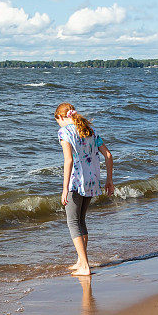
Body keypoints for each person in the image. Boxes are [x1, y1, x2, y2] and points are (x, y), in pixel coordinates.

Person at [54, 103, 114, 276]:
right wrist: (109, 180)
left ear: (62, 117)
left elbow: (68, 161)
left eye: (57, 120)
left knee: (73, 222)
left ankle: (85, 266)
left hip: (75, 182)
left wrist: (64, 188)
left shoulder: (64, 132)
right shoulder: (90, 131)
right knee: (81, 220)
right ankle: (81, 261)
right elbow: (108, 155)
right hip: (92, 181)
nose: (58, 124)